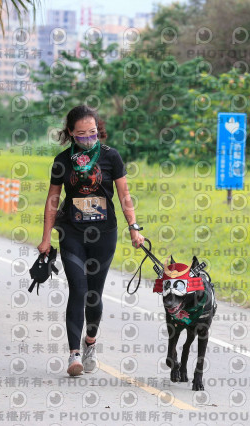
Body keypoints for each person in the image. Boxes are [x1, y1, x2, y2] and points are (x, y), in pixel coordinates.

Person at [37, 105, 145, 376]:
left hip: (104, 234)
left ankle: (90, 343)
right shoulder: (62, 161)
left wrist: (134, 228)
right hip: (72, 232)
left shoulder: (111, 157)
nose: (88, 138)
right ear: (71, 133)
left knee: (94, 295)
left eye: (93, 133)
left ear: (99, 130)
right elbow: (52, 200)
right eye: (82, 134)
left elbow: (124, 195)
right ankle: (74, 354)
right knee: (78, 289)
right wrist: (46, 237)